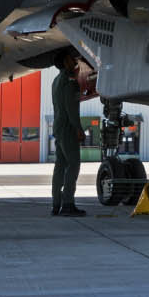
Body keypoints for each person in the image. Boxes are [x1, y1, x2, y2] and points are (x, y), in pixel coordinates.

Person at [51, 49, 86, 216]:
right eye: (72, 59)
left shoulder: (56, 81)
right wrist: (78, 128)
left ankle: (56, 204)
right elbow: (72, 109)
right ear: (65, 62)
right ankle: (68, 204)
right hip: (68, 129)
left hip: (58, 128)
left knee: (60, 166)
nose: (75, 61)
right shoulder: (70, 83)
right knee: (73, 165)